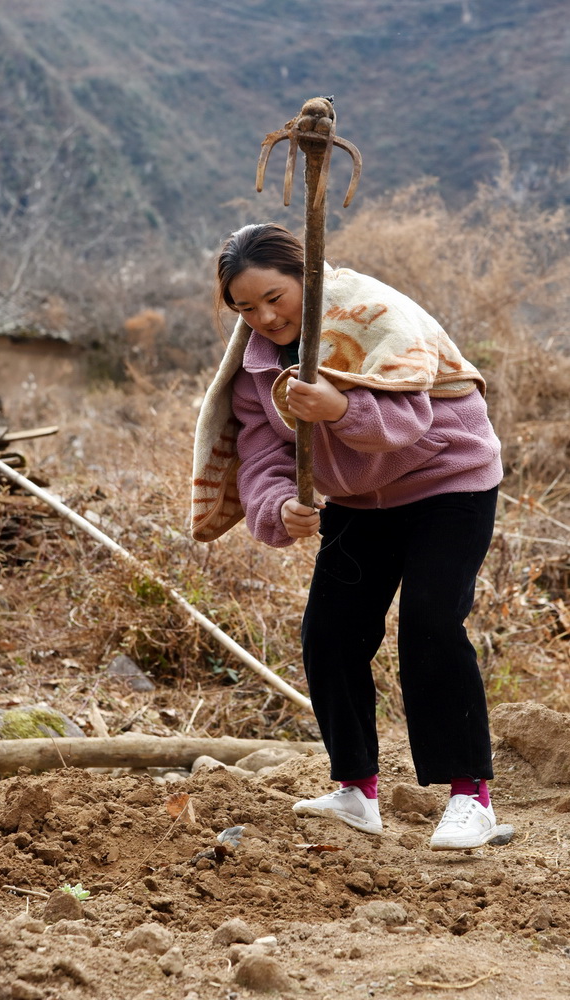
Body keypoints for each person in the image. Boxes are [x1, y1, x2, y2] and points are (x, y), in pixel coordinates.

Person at [195, 221, 504, 850]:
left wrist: (337, 408)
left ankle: (471, 797)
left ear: (306, 278)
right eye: (245, 307)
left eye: (274, 299)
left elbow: (409, 421)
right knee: (331, 632)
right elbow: (258, 452)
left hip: (448, 478)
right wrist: (280, 505)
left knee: (431, 622)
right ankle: (357, 791)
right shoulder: (258, 366)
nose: (264, 317)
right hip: (362, 498)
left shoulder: (374, 316)